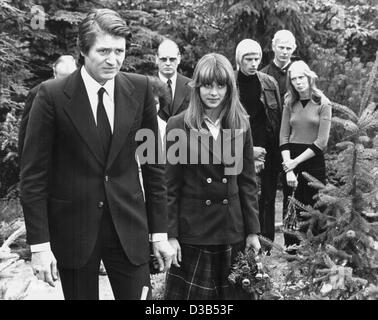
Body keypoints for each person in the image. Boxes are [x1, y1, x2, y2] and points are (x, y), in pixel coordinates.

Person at [20, 8, 173, 300]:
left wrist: (160, 234)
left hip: (129, 229)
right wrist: (40, 246)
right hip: (73, 232)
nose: (113, 59)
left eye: (120, 51)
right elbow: (33, 177)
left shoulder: (140, 89)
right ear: (83, 50)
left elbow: (154, 167)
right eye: (103, 50)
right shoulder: (51, 96)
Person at [164, 53, 261, 300]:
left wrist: (252, 231)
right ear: (197, 86)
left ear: (230, 87)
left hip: (232, 230)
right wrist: (171, 235)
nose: (214, 92)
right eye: (207, 85)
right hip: (194, 232)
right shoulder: (178, 125)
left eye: (221, 85)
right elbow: (170, 186)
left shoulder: (241, 124)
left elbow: (248, 182)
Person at [279, 60, 332, 249]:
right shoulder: (289, 101)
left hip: (312, 160)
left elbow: (322, 142)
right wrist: (288, 167)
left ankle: (314, 253)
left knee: (313, 208)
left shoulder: (322, 103)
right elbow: (283, 136)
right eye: (294, 79)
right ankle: (291, 254)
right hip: (290, 158)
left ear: (309, 77)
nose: (298, 82)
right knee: (291, 205)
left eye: (301, 77)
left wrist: (295, 162)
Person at [235, 39, 282, 250]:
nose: (253, 63)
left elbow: (275, 119)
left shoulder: (269, 83)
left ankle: (266, 246)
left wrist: (267, 153)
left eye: (256, 59)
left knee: (267, 199)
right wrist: (249, 151)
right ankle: (242, 242)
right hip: (239, 149)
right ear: (239, 59)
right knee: (242, 195)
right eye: (248, 59)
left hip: (268, 150)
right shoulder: (230, 83)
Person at [18, 55, 77, 158]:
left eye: (70, 77)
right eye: (62, 77)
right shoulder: (37, 93)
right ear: (54, 71)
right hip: (48, 158)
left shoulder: (83, 91)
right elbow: (26, 133)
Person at [155, 39, 191, 122]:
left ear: (179, 59)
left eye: (172, 59)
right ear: (156, 59)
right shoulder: (147, 86)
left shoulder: (191, 86)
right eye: (163, 59)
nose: (168, 63)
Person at [260, 30, 297, 101]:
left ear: (293, 49)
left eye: (288, 48)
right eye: (281, 48)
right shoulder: (263, 74)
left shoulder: (300, 73)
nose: (285, 52)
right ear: (273, 47)